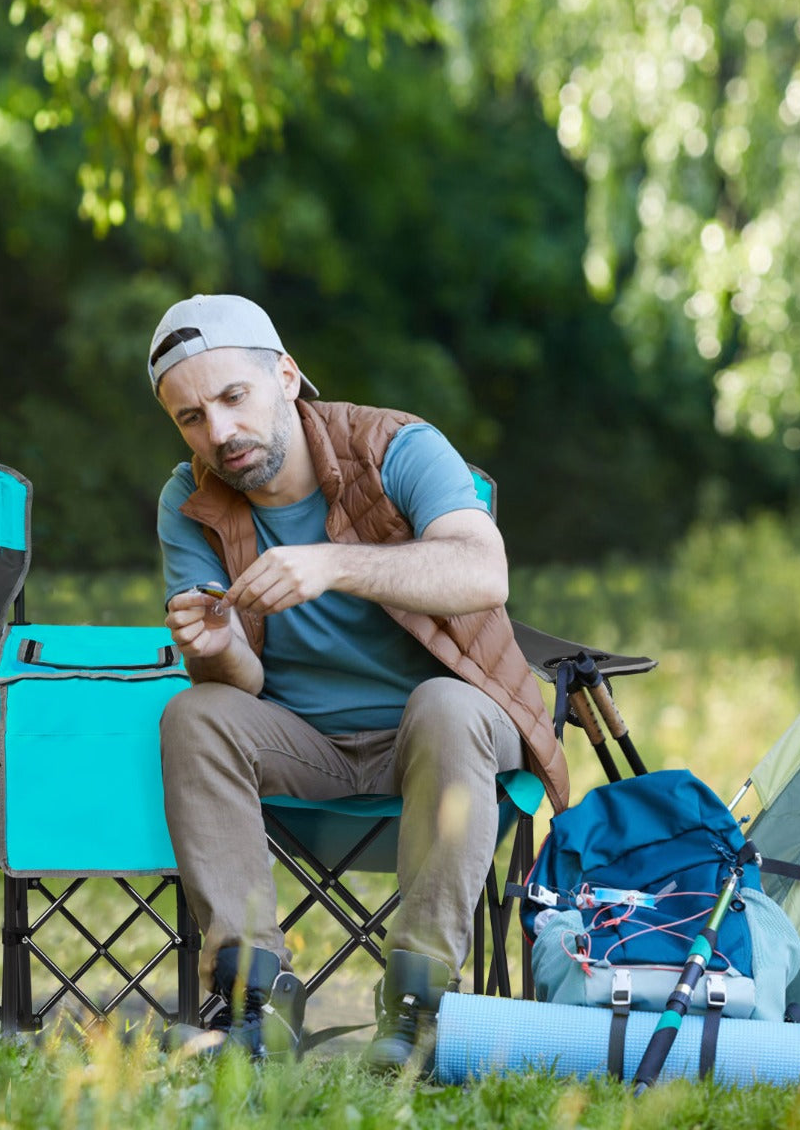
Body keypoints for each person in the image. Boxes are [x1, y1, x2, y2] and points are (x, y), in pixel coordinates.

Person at [149, 295, 568, 1072]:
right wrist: (216, 647)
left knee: (443, 703)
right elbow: (238, 683)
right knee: (194, 713)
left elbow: (484, 570)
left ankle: (419, 1006)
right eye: (191, 417)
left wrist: (335, 565)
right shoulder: (190, 498)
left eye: (234, 398)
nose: (219, 433)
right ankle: (252, 1005)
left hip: (447, 738)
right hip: (307, 746)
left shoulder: (397, 446)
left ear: (286, 374)